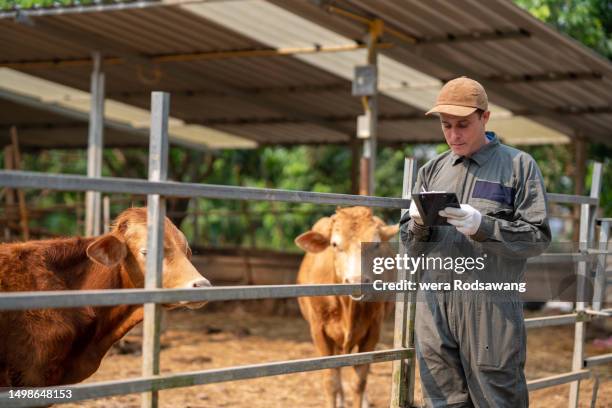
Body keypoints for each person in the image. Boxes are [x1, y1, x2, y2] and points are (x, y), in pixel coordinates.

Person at [400, 77, 551, 407]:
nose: (454, 135)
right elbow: (409, 248)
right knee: (441, 398)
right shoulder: (431, 170)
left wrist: (484, 226)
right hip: (435, 305)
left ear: (485, 117)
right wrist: (417, 224)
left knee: (496, 396)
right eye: (446, 125)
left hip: (490, 305)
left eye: (463, 125)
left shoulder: (518, 167)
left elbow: (537, 239)